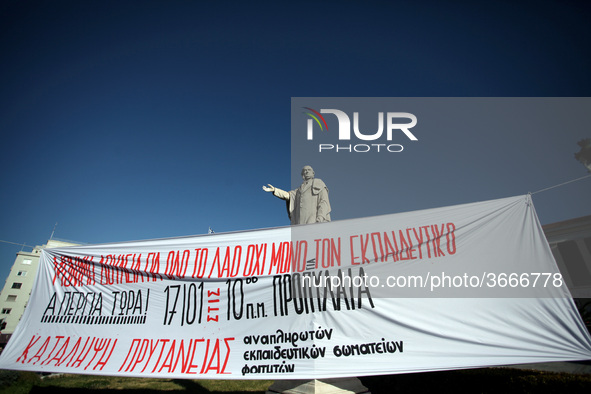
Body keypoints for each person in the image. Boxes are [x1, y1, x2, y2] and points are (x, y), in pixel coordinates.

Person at [263, 166, 331, 225]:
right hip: (300, 222)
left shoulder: (318, 183)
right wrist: (275, 190)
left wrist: (320, 217)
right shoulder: (298, 190)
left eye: (309, 170)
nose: (306, 172)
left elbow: (323, 201)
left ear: (313, 173)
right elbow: (288, 195)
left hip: (313, 219)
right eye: (305, 170)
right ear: (302, 174)